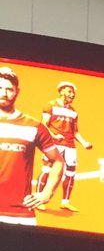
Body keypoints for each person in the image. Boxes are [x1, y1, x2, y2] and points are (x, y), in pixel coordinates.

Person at [0, 66, 64, 226]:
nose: (4, 93)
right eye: (0, 88)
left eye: (9, 89)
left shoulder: (33, 126)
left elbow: (58, 161)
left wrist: (46, 194)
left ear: (17, 92)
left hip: (20, 216)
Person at [38, 81, 92, 211]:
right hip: (53, 144)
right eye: (69, 91)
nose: (72, 95)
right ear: (61, 91)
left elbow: (75, 132)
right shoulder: (50, 105)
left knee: (71, 173)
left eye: (73, 93)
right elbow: (43, 124)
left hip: (69, 145)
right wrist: (53, 136)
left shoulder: (73, 111)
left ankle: (65, 202)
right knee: (47, 170)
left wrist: (84, 143)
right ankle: (39, 199)